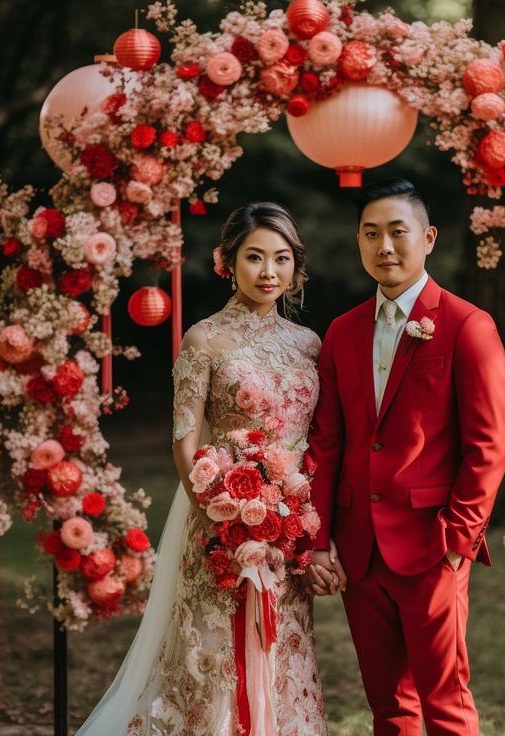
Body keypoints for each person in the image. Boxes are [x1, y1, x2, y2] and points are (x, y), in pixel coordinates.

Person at [76, 202, 328, 736]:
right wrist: (228, 524)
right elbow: (183, 442)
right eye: (254, 257)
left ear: (294, 266)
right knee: (214, 655)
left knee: (283, 646)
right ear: (227, 262)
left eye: (281, 259)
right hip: (220, 516)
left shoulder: (310, 345)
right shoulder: (203, 340)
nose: (268, 272)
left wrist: (293, 523)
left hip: (289, 526)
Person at [305, 179, 505, 736]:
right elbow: (327, 443)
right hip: (359, 549)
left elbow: (489, 444)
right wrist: (318, 537)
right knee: (389, 708)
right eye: (370, 234)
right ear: (358, 242)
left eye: (398, 232)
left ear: (428, 238)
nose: (385, 247)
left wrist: (457, 538)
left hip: (432, 543)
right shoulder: (342, 332)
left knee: (444, 701)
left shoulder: (468, 326)